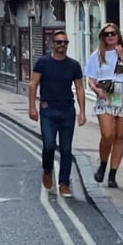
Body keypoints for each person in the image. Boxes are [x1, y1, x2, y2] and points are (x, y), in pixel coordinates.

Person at [28, 31, 86, 197]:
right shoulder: (42, 63)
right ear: (53, 43)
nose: (63, 45)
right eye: (59, 42)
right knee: (49, 145)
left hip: (67, 110)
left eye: (65, 42)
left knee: (66, 149)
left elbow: (80, 88)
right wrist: (32, 107)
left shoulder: (74, 65)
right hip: (48, 110)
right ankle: (47, 170)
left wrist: (82, 112)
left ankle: (64, 183)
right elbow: (33, 85)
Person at [85, 23, 123, 189]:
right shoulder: (96, 56)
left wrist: (122, 56)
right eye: (106, 34)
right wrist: (96, 90)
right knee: (107, 134)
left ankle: (112, 175)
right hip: (106, 94)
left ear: (118, 35)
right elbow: (91, 79)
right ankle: (103, 164)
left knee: (120, 137)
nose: (110, 36)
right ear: (102, 37)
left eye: (113, 33)